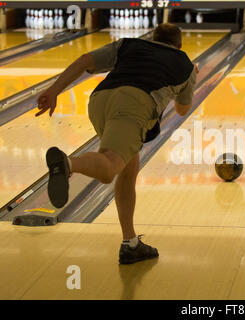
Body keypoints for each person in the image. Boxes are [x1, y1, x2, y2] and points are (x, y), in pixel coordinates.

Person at [35, 23, 198, 264]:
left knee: (128, 171)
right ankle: (69, 163)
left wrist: (54, 90)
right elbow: (182, 110)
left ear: (152, 37)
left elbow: (84, 61)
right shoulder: (185, 64)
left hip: (100, 100)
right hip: (134, 105)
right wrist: (192, 78)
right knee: (110, 168)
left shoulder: (128, 44)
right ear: (180, 45)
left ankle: (130, 243)